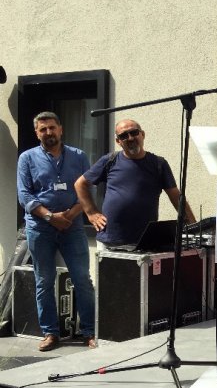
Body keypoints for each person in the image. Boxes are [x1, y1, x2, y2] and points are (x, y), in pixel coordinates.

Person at [16, 112, 97, 351]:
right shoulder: (27, 158)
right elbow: (25, 195)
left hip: (72, 227)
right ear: (37, 133)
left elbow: (86, 191)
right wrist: (51, 217)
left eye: (52, 128)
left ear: (60, 129)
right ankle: (51, 333)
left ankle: (90, 332)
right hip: (40, 228)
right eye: (43, 129)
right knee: (43, 281)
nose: (48, 133)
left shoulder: (79, 156)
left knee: (82, 279)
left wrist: (69, 216)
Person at [74, 119, 196, 248]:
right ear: (118, 141)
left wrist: (193, 226)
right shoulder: (109, 161)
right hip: (110, 240)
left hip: (145, 240)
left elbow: (175, 196)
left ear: (142, 134)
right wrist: (91, 213)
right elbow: (80, 184)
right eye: (124, 135)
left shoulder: (159, 164)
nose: (130, 138)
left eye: (134, 132)